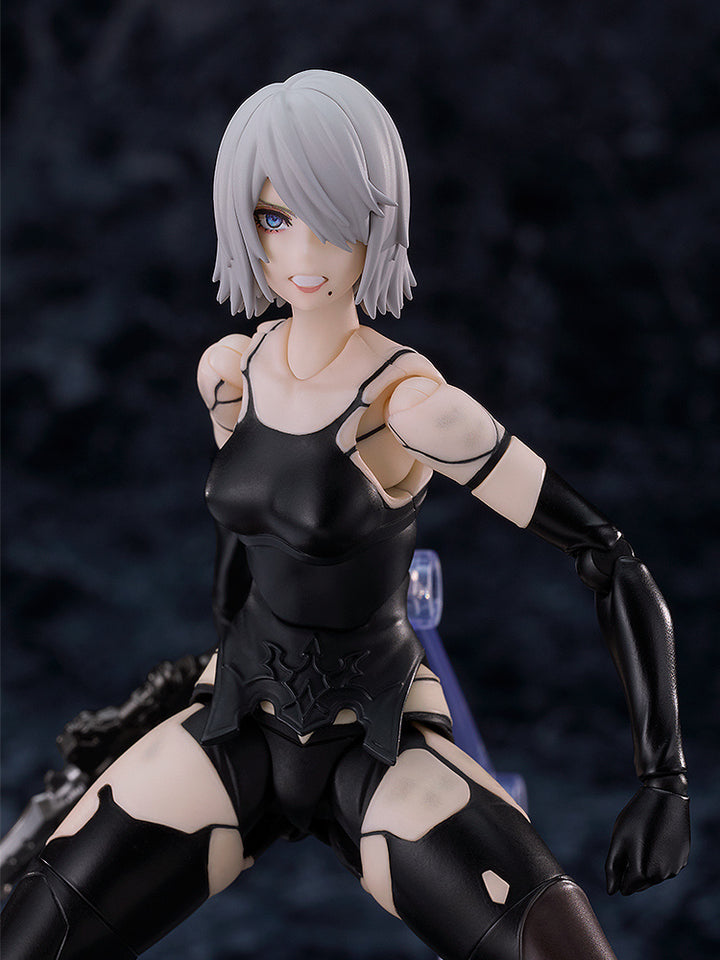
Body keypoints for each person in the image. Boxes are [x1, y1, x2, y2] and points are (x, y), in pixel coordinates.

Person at [0, 69, 689, 960]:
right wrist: (194, 680)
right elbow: (241, 546)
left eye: (330, 217)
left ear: (378, 220)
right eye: (273, 218)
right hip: (238, 718)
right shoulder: (230, 373)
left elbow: (606, 553)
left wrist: (664, 781)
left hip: (377, 733)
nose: (302, 252)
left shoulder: (412, 408)